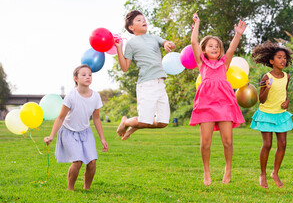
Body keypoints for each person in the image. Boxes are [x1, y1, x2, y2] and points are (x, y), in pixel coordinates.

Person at [189, 13, 246, 186]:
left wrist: (238, 34)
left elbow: (231, 49)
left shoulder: (224, 63)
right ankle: (207, 172)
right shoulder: (202, 64)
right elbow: (193, 43)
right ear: (204, 49)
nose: (214, 48)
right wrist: (197, 24)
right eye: (210, 46)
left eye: (217, 46)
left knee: (228, 141)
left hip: (224, 103)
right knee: (205, 143)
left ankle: (227, 170)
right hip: (206, 104)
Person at [44, 65, 108, 191]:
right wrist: (51, 136)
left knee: (92, 162)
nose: (88, 77)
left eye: (90, 75)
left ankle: (86, 188)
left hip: (85, 131)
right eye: (83, 75)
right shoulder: (71, 96)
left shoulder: (96, 96)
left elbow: (96, 118)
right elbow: (60, 118)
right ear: (76, 78)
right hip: (69, 132)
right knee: (77, 161)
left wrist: (102, 138)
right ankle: (70, 189)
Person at [115, 10, 176, 140]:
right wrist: (119, 48)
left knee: (163, 122)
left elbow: (167, 43)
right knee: (144, 121)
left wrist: (168, 44)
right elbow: (125, 67)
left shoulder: (154, 38)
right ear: (131, 27)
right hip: (146, 84)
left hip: (160, 83)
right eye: (139, 20)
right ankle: (125, 122)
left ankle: (130, 126)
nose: (143, 21)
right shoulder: (131, 43)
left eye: (144, 19)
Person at [250, 41, 293, 188]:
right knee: (267, 144)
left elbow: (285, 92)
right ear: (271, 61)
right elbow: (261, 99)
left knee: (282, 144)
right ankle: (262, 174)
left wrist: (287, 101)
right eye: (279, 57)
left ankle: (275, 173)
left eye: (284, 58)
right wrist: (267, 88)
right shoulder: (266, 77)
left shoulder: (287, 76)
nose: (283, 60)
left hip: (280, 114)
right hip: (266, 114)